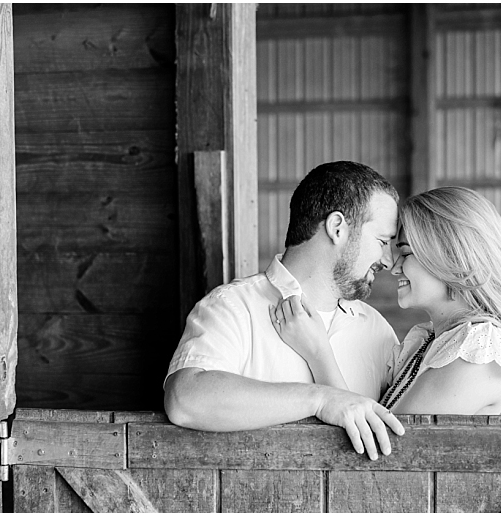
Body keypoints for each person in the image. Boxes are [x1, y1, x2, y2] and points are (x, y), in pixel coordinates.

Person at [164, 161, 406, 460]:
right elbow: (184, 400)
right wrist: (320, 399)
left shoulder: (377, 330)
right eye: (382, 241)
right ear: (337, 228)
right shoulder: (234, 307)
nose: (388, 259)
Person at [271, 186, 501, 416]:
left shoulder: (482, 351)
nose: (394, 266)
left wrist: (318, 353)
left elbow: (387, 451)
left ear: (450, 257)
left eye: (406, 252)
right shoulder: (429, 340)